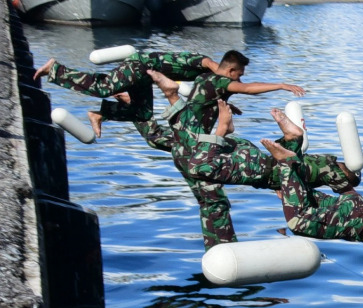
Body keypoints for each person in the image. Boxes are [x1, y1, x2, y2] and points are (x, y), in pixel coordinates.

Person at [159, 56, 311, 247]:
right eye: (239, 76)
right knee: (214, 201)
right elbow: (248, 89)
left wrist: (225, 105)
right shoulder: (222, 81)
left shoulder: (204, 79)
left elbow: (201, 101)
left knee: (209, 200)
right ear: (231, 71)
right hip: (196, 147)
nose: (239, 81)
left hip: (184, 142)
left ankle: (216, 248)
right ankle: (224, 248)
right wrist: (281, 85)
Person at [33, 49, 216, 137]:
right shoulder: (207, 63)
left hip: (145, 78)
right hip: (140, 66)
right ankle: (55, 69)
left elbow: (208, 91)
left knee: (142, 114)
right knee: (103, 87)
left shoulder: (206, 78)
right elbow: (218, 70)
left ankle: (101, 114)